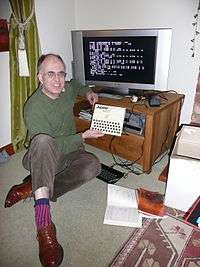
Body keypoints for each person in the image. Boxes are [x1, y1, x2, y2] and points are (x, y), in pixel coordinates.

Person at [4, 53, 104, 267]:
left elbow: (75, 84)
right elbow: (53, 146)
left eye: (61, 73)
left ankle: (34, 186)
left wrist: (88, 92)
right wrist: (82, 136)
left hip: (71, 152)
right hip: (43, 156)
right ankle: (43, 224)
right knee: (42, 141)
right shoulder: (34, 107)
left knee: (93, 165)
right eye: (51, 74)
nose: (58, 80)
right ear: (40, 77)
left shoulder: (65, 88)